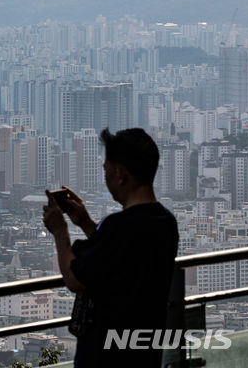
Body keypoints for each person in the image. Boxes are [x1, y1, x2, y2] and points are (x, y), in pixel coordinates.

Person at [42, 127, 179, 366]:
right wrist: (85, 223)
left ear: (120, 175)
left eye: (106, 170)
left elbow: (75, 278)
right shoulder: (165, 222)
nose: (105, 177)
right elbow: (121, 256)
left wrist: (60, 231)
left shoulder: (119, 227)